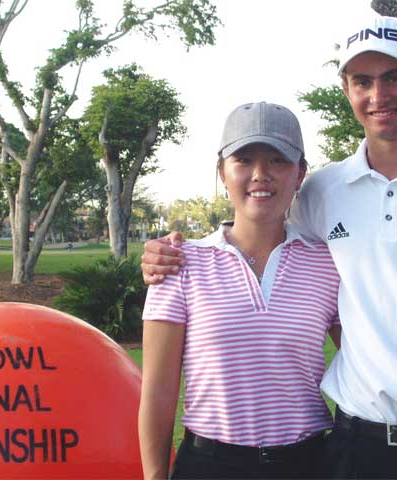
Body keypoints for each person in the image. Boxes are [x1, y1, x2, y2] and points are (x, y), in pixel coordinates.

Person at [141, 14, 397, 480]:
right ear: (347, 89)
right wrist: (167, 253)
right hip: (360, 446)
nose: (379, 95)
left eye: (393, 77)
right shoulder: (324, 191)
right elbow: (258, 221)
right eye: (362, 81)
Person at [138, 102, 342, 479]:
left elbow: (371, 356)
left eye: (278, 160)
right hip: (211, 465)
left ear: (300, 174)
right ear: (222, 172)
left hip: (308, 464)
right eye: (244, 160)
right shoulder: (179, 263)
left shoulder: (327, 263)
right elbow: (159, 391)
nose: (260, 175)